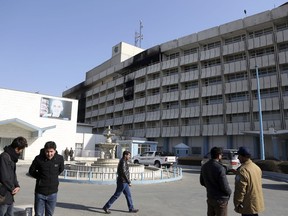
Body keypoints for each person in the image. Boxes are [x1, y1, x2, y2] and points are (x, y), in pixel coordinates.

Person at [29, 141, 64, 216]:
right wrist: (41, 177)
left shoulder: (59, 159)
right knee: (38, 214)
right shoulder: (38, 159)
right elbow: (31, 171)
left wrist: (53, 176)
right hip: (40, 192)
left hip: (53, 193)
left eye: (51, 151)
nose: (49, 154)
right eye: (47, 152)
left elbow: (61, 169)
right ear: (44, 151)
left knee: (50, 214)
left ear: (55, 150)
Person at [0, 136, 28, 216]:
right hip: (3, 195)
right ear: (17, 148)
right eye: (21, 149)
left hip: (10, 195)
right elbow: (4, 177)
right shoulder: (4, 157)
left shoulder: (12, 158)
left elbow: (13, 174)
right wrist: (13, 188)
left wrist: (17, 185)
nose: (21, 152)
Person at [200, 147, 232, 216]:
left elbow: (202, 182)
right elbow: (224, 186)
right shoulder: (220, 168)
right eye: (221, 155)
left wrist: (210, 187)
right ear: (218, 155)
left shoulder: (204, 166)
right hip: (220, 200)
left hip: (210, 197)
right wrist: (229, 192)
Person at [233, 147, 265, 216]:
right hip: (256, 202)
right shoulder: (256, 167)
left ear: (243, 156)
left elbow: (240, 190)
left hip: (247, 204)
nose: (238, 158)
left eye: (239, 156)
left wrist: (237, 203)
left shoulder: (243, 170)